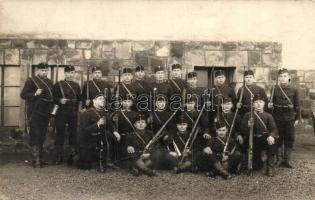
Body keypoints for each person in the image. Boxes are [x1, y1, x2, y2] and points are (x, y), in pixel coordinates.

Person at [20, 62, 54, 168]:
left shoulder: (49, 81)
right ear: (38, 71)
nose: (44, 72)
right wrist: (35, 94)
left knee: (42, 134)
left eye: (46, 70)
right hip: (35, 111)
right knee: (35, 134)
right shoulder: (31, 80)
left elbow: (50, 97)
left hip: (45, 111)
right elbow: (23, 94)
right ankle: (36, 160)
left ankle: (41, 157)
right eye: (42, 70)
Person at [76, 94, 119, 172]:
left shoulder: (104, 112)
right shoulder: (86, 113)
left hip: (100, 138)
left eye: (103, 99)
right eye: (100, 99)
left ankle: (106, 161)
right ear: (94, 101)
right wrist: (97, 124)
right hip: (88, 140)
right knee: (85, 166)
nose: (103, 100)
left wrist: (115, 132)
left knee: (111, 137)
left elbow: (110, 124)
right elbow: (84, 130)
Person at [268, 68, 300, 168]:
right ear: (278, 78)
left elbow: (297, 105)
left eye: (285, 76)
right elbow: (270, 104)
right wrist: (269, 106)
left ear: (289, 77)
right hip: (277, 117)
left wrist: (297, 118)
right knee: (278, 138)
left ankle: (287, 161)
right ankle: (279, 160)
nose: (283, 78)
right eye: (281, 76)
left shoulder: (294, 89)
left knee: (289, 138)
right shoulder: (274, 89)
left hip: (290, 117)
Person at [241, 95, 278, 177]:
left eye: (260, 102)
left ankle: (270, 167)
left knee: (272, 144)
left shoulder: (268, 116)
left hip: (264, 139)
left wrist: (271, 136)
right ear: (253, 104)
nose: (258, 104)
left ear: (264, 104)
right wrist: (248, 126)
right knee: (256, 166)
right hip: (252, 138)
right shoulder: (248, 115)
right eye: (256, 102)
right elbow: (243, 130)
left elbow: (274, 129)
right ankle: (246, 165)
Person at [53, 65, 81, 165]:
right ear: (65, 73)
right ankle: (59, 157)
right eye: (68, 73)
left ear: (74, 74)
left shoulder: (77, 85)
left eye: (72, 73)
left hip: (73, 113)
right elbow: (53, 98)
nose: (70, 75)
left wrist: (77, 111)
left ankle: (72, 156)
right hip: (61, 112)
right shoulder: (58, 85)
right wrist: (60, 100)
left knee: (73, 134)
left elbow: (78, 100)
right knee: (60, 133)